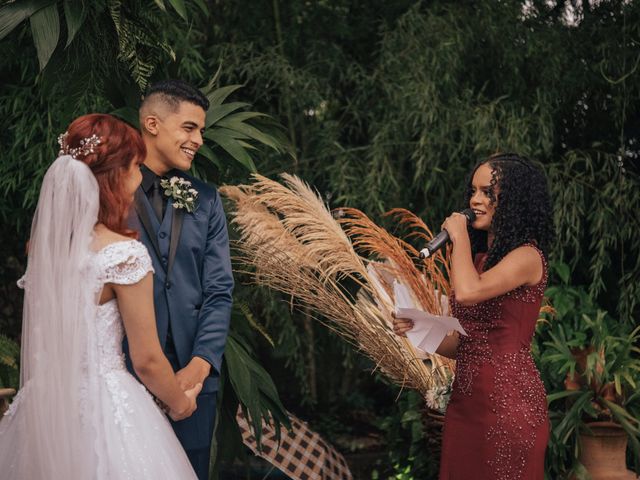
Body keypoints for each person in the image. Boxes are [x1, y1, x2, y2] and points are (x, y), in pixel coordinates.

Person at [0, 114, 201, 479]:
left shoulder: (47, 251)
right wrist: (180, 403)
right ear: (115, 175)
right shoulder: (123, 254)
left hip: (44, 407)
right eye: (136, 166)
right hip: (106, 409)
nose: (140, 178)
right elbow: (148, 360)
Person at [393, 153, 554, 480]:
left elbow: (468, 291)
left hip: (509, 406)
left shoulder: (526, 256)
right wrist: (419, 326)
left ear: (514, 201)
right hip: (466, 405)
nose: (475, 200)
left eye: (488, 193)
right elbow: (468, 343)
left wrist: (459, 236)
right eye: (473, 192)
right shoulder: (478, 260)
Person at [128, 79, 234, 479]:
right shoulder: (108, 191)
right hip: (127, 380)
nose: (199, 140)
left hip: (194, 387)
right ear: (152, 124)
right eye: (190, 128)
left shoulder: (206, 198)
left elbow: (220, 289)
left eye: (202, 130)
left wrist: (202, 362)